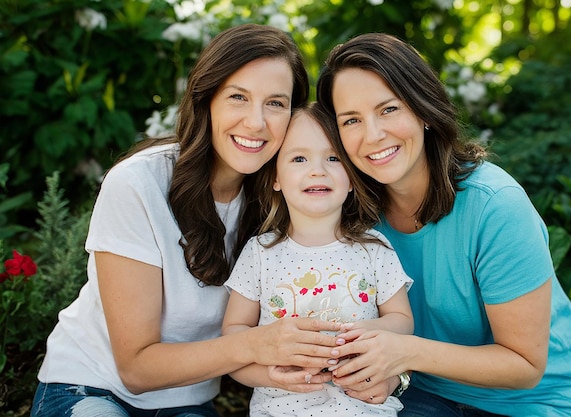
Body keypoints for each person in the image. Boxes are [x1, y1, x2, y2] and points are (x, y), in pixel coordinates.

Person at [30, 24, 344, 417]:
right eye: (237, 97)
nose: (256, 122)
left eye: (276, 103)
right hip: (90, 387)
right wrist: (257, 344)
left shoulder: (285, 197)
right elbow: (135, 368)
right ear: (206, 99)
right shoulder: (139, 182)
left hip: (187, 401)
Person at [315, 33, 571, 417]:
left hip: (543, 401)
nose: (372, 134)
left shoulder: (494, 206)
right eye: (351, 120)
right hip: (425, 393)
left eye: (388, 109)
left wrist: (404, 353)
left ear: (422, 109)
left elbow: (525, 366)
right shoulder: (350, 213)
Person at [221, 102, 414, 416]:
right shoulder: (260, 253)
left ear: (352, 177)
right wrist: (270, 375)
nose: (317, 170)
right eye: (299, 158)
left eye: (333, 158)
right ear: (276, 177)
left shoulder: (375, 247)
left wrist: (364, 334)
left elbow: (403, 322)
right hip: (281, 410)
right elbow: (232, 342)